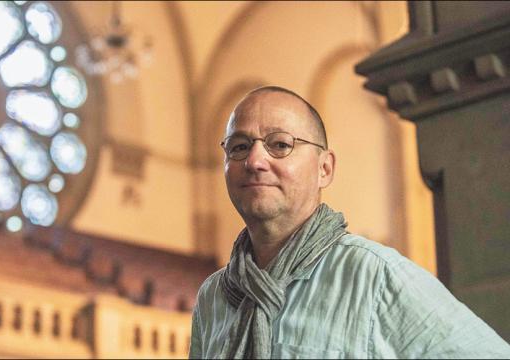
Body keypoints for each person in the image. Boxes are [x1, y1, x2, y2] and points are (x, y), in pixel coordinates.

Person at [188, 86, 510, 359]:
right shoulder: (213, 297)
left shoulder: (375, 276)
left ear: (324, 169)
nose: (255, 161)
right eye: (240, 146)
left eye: (280, 144)